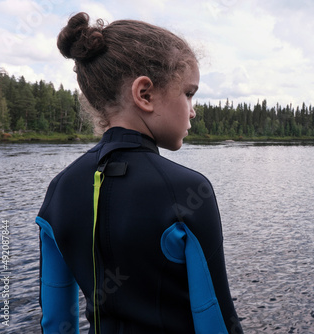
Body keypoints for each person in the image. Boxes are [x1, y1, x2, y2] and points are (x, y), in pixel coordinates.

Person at [35, 12, 242, 334]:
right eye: (188, 93)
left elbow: (54, 317)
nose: (193, 109)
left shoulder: (60, 188)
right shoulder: (187, 190)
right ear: (144, 94)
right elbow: (214, 315)